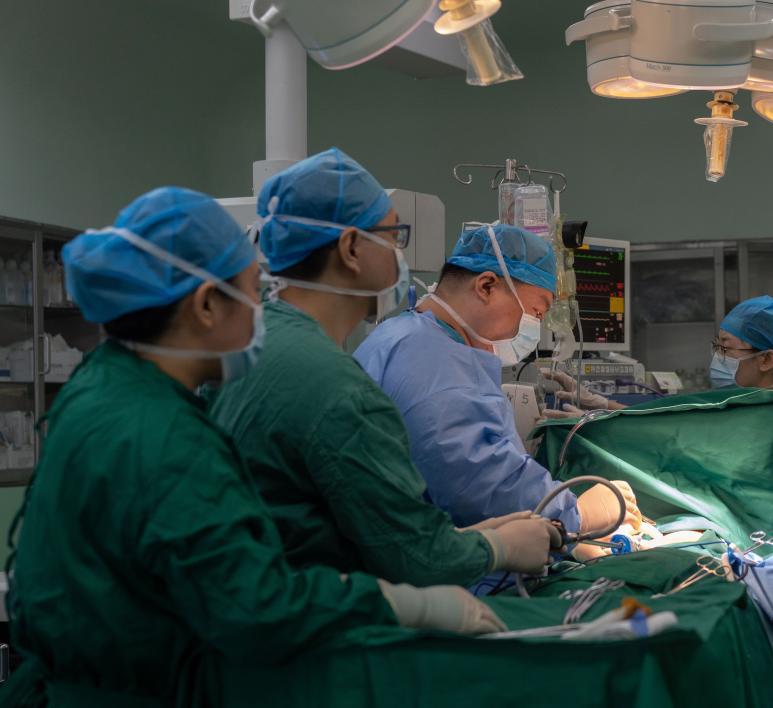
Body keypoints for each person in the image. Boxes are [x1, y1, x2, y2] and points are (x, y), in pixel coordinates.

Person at [5, 187, 505, 705]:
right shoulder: (166, 438)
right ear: (206, 305)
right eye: (253, 291)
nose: (261, 313)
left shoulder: (101, 384)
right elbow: (257, 607)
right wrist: (406, 605)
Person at [211, 149, 560, 591]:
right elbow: (414, 555)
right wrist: (496, 547)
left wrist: (469, 537)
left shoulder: (245, 347)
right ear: (351, 249)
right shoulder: (336, 387)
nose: (401, 255)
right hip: (310, 610)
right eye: (394, 237)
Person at [354, 222, 641, 583]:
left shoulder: (413, 339)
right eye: (537, 312)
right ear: (486, 286)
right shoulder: (429, 360)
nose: (533, 327)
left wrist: (567, 540)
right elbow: (476, 486)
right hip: (430, 579)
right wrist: (575, 515)